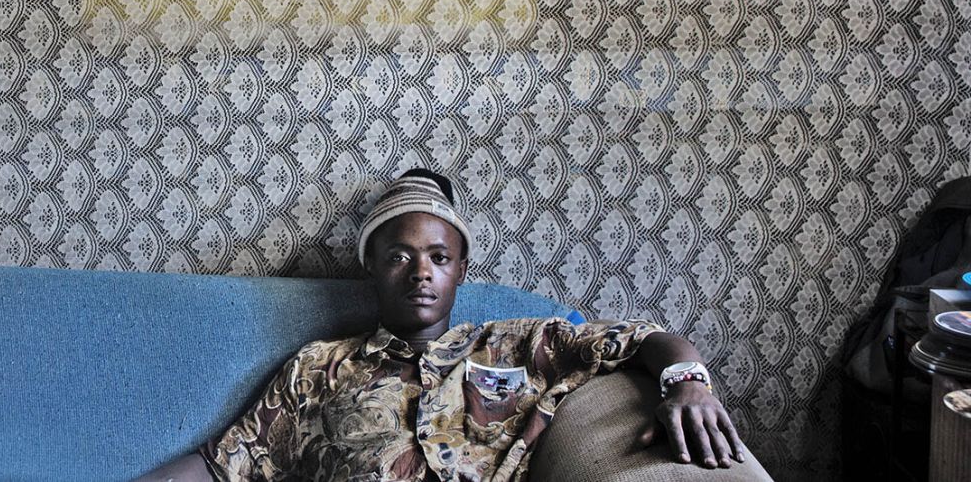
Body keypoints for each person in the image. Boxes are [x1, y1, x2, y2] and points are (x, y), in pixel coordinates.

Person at [135, 170, 745, 482]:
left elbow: (643, 339)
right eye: (399, 256)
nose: (420, 272)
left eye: (438, 257)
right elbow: (220, 467)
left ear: (460, 271)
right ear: (372, 267)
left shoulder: (519, 347)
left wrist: (688, 382)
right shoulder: (319, 367)